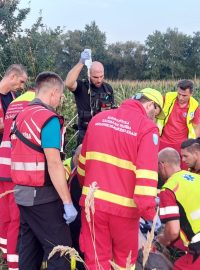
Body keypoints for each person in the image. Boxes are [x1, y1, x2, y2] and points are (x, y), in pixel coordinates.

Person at [77, 88, 165, 269]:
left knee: (95, 260)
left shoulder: (98, 119)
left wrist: (88, 195)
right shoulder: (147, 128)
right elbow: (146, 175)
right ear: (150, 105)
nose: (154, 119)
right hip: (124, 211)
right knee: (124, 263)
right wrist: (150, 214)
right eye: (155, 114)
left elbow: (82, 165)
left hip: (92, 205)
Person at [10, 71, 77, 270]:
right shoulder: (48, 119)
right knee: (61, 252)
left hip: (22, 194)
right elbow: (55, 163)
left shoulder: (21, 115)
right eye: (61, 96)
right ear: (54, 93)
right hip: (43, 197)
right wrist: (67, 202)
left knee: (29, 251)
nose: (60, 100)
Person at [0, 87, 35, 270]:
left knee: (4, 216)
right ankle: (14, 264)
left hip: (2, 164)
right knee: (16, 219)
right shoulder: (34, 105)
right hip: (15, 167)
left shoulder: (14, 102)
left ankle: (6, 255)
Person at [158, 147, 200, 270]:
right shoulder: (196, 178)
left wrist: (162, 240)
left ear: (162, 165)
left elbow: (173, 231)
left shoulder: (168, 189)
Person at [65, 49, 115, 144]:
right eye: (95, 77)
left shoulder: (108, 89)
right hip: (85, 134)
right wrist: (81, 62)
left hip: (104, 134)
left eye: (101, 76)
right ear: (89, 74)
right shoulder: (82, 87)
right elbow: (68, 83)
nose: (99, 80)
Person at [157, 79, 200, 160]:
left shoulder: (195, 106)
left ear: (191, 94)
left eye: (184, 95)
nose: (180, 97)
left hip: (181, 146)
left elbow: (196, 128)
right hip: (162, 141)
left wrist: (193, 145)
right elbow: (154, 109)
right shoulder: (167, 97)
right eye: (179, 94)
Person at [0, 64, 28, 143]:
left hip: (11, 148)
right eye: (21, 81)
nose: (22, 87)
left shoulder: (15, 97)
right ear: (13, 76)